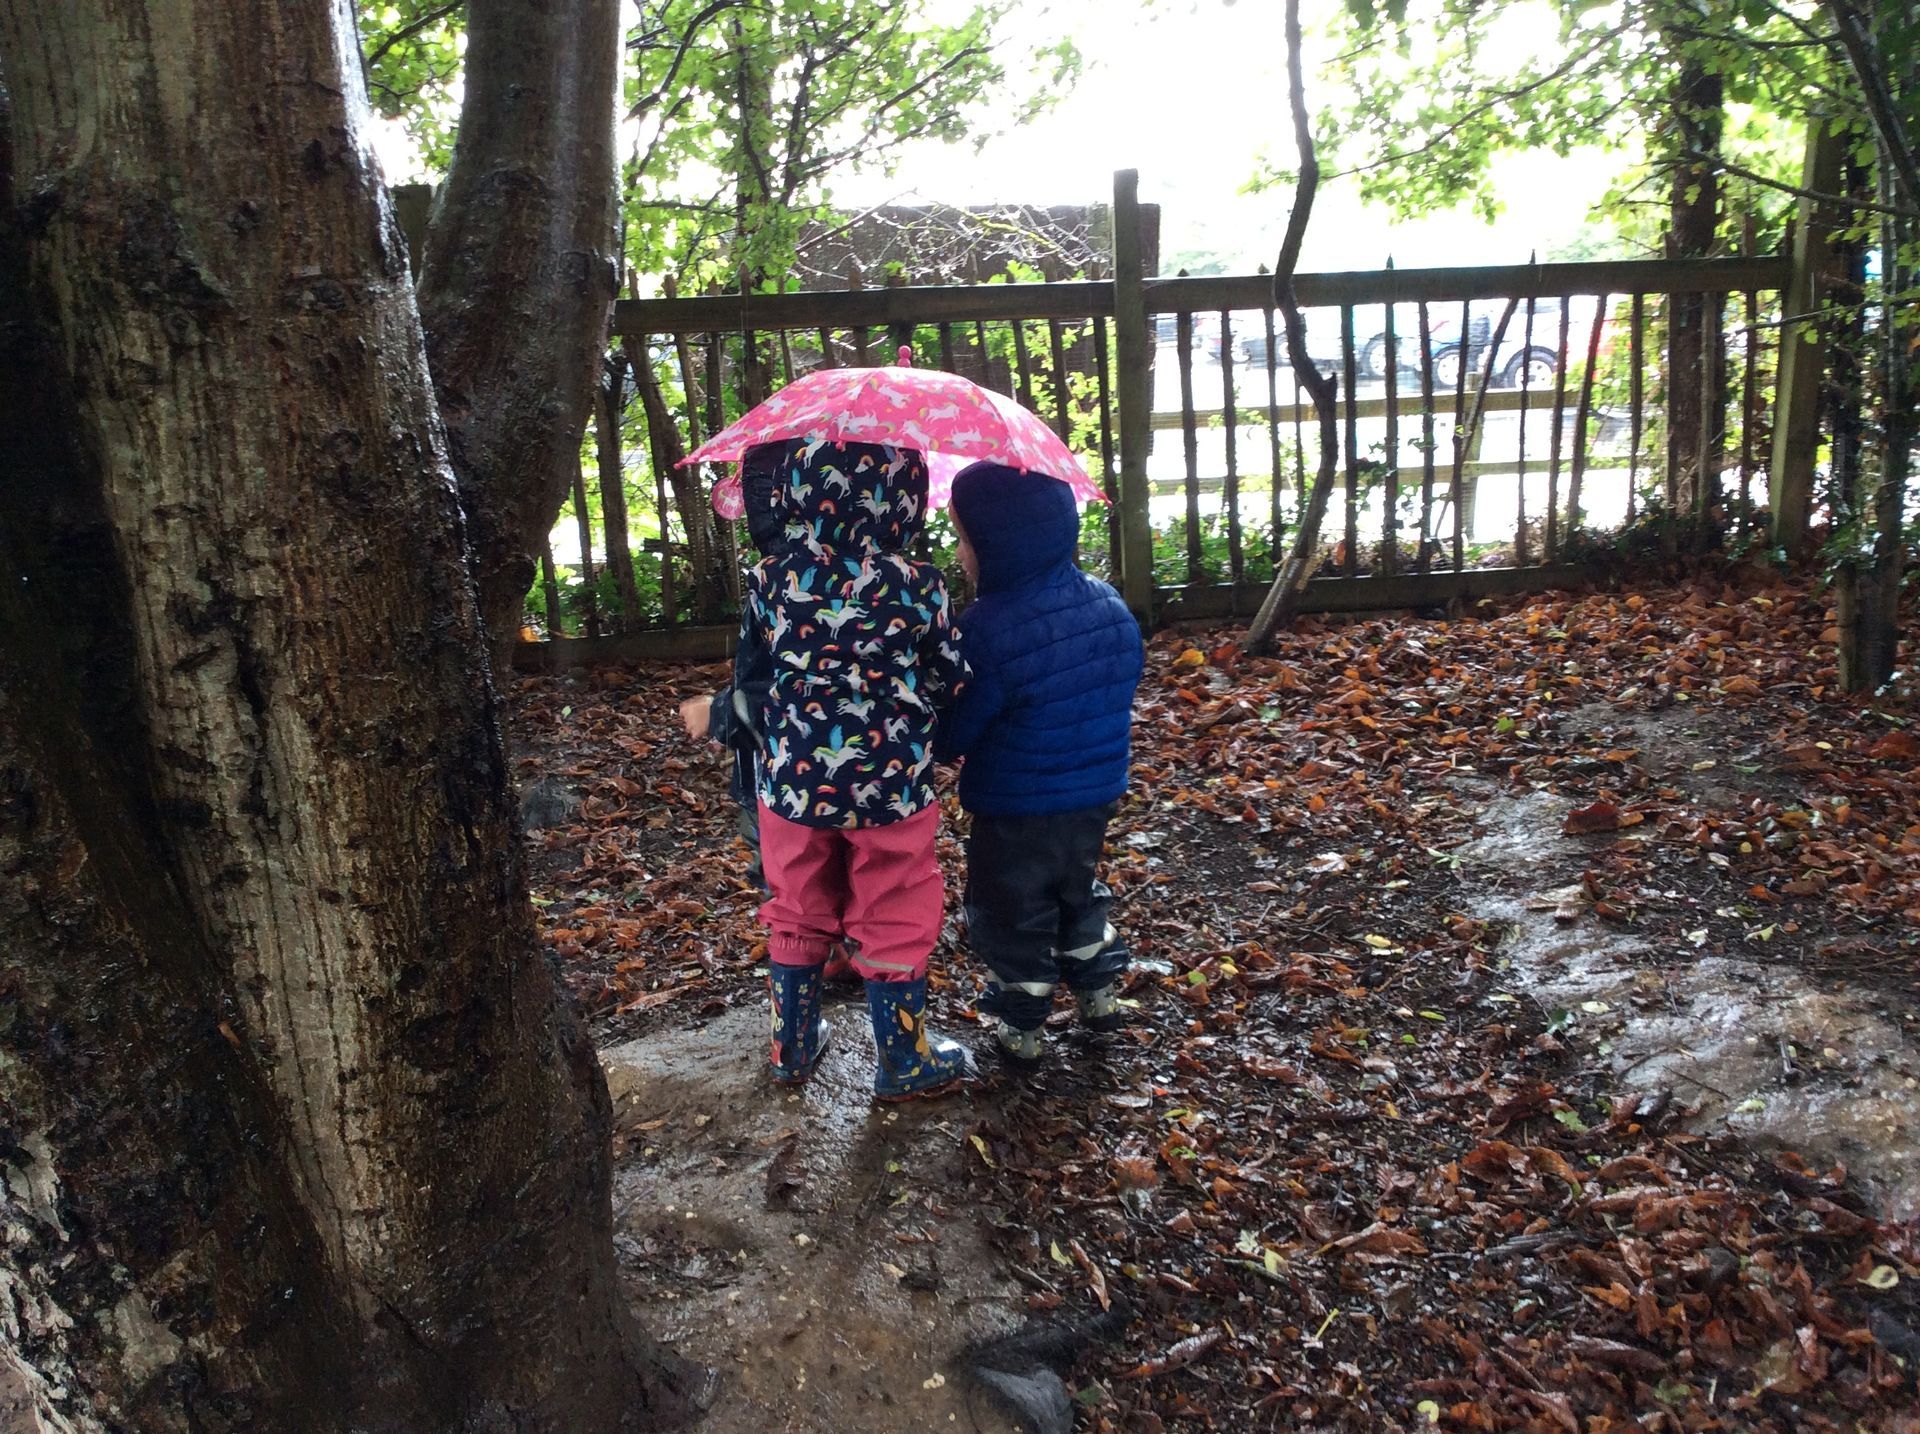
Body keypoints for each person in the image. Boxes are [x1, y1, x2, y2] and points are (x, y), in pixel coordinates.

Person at [726, 437, 971, 1100]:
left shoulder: (771, 578)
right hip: (890, 784)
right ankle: (904, 1059)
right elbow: (951, 676)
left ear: (797, 495)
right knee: (894, 901)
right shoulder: (919, 585)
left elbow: (756, 667)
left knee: (797, 903)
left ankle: (792, 1047)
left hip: (792, 781)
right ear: (906, 499)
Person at [936, 462, 1144, 1063]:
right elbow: (1121, 677)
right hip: (1094, 793)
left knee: (1010, 908)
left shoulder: (987, 629)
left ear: (998, 544)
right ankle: (1099, 991)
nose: (960, 550)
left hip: (1015, 806)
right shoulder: (1108, 602)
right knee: (1075, 887)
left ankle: (1023, 1026)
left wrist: (937, 727)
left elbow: (959, 728)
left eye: (964, 538)